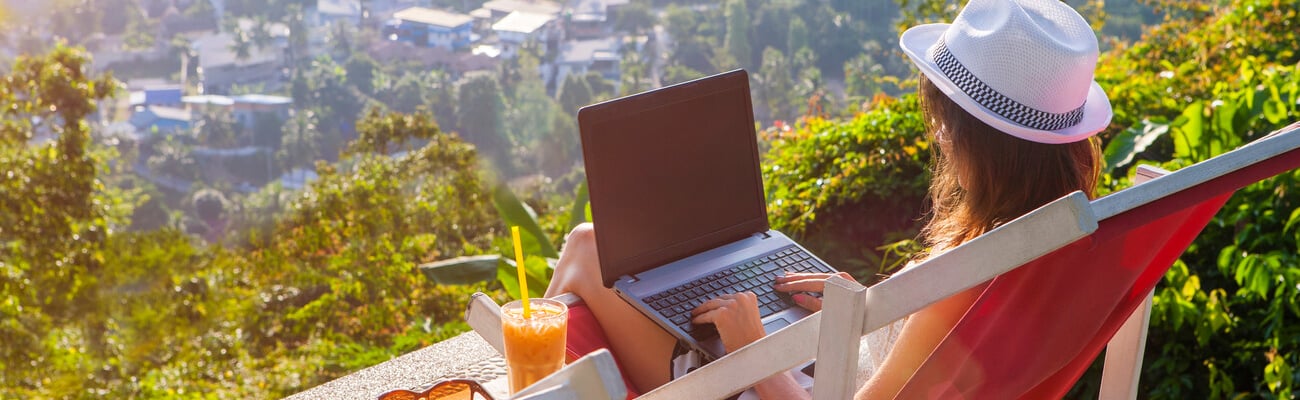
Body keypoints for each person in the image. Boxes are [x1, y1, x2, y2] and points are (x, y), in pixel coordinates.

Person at [544, 0, 1111, 397]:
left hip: (777, 385)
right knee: (594, 248)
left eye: (946, 124)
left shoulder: (967, 280)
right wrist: (868, 310)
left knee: (585, 248)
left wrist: (750, 348)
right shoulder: (1062, 245)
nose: (939, 136)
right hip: (829, 363)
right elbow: (943, 366)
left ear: (980, 142)